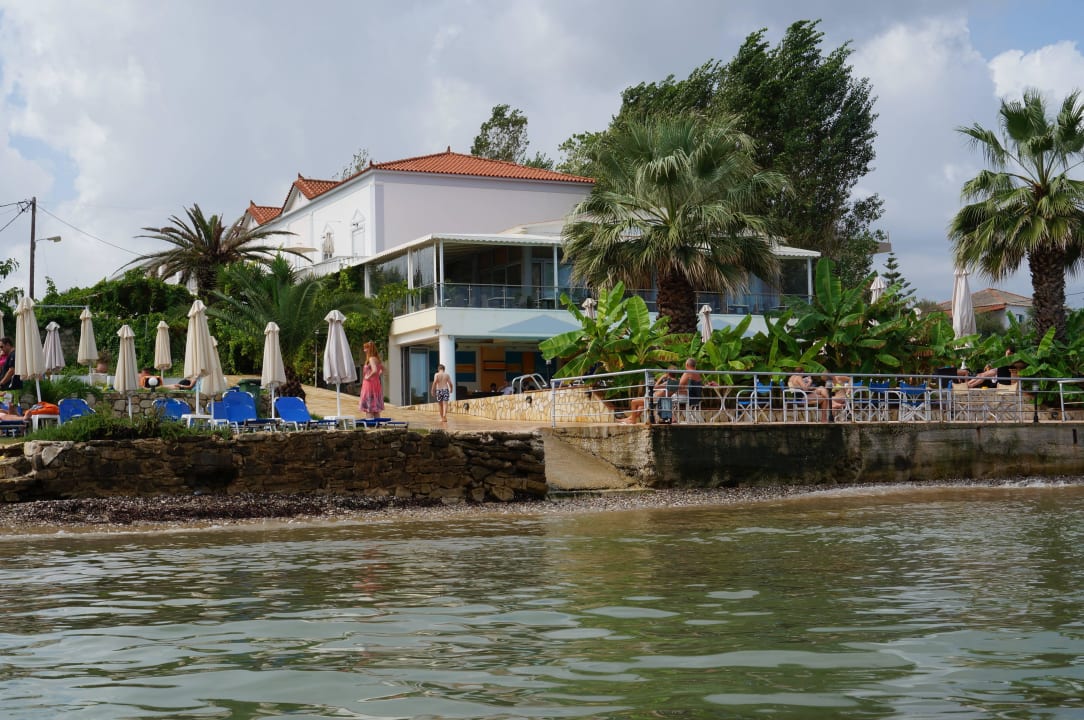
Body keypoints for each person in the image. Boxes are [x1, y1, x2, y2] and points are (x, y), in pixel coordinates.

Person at [358, 340, 385, 419]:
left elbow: (375, 370)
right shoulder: (377, 359)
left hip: (369, 384)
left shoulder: (371, 359)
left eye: (365, 348)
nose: (364, 350)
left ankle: (370, 425)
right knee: (375, 409)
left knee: (369, 408)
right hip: (376, 384)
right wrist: (377, 375)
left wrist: (368, 377)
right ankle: (377, 425)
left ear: (369, 349)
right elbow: (383, 369)